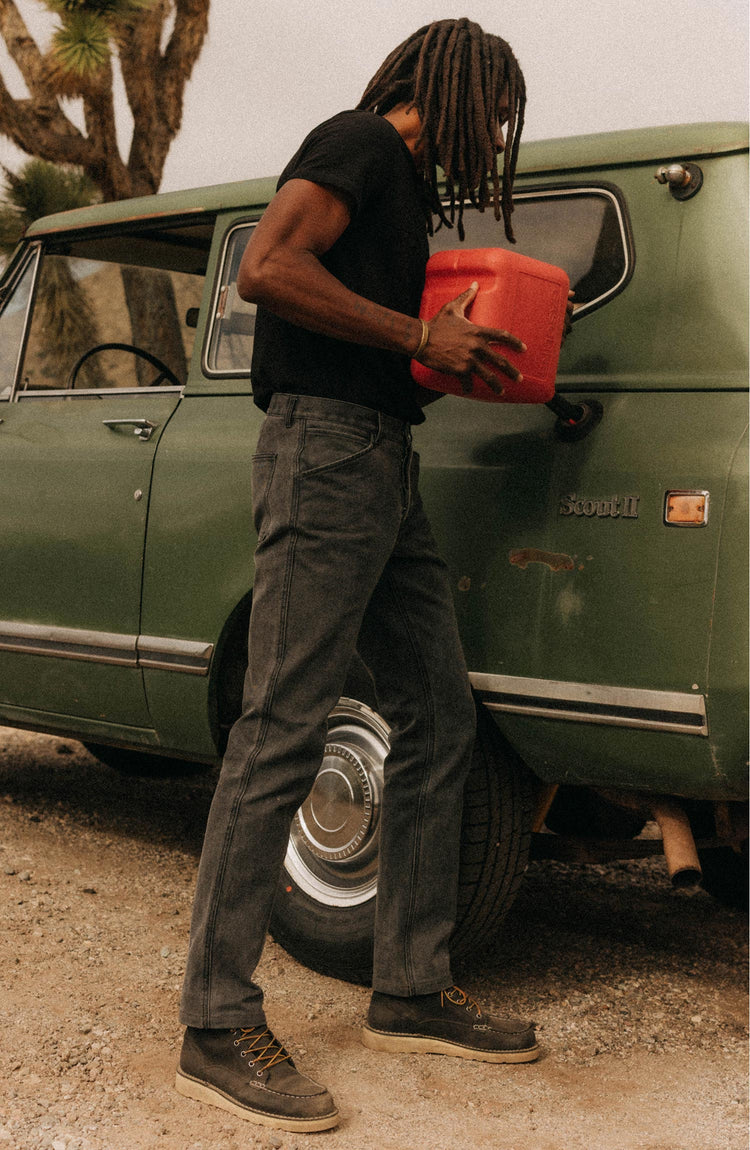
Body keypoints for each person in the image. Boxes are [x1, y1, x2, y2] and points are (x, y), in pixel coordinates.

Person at [176, 18, 543, 1135]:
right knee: (283, 721)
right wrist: (418, 336)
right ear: (455, 86)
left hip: (381, 456)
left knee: (437, 710)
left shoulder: (406, 191)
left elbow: (381, 351)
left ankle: (410, 986)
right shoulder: (357, 144)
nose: (496, 134)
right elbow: (268, 271)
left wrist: (474, 368)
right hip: (325, 455)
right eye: (496, 111)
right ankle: (214, 1020)